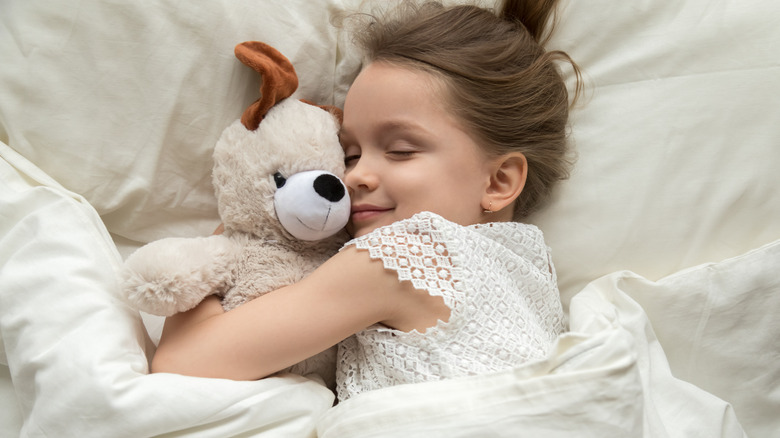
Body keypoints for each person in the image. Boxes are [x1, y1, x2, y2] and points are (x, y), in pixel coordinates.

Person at [151, 0, 582, 403]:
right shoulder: (531, 265)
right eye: (350, 154)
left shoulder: (405, 254)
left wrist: (223, 240)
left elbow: (183, 363)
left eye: (400, 150)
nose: (355, 175)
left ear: (499, 181)